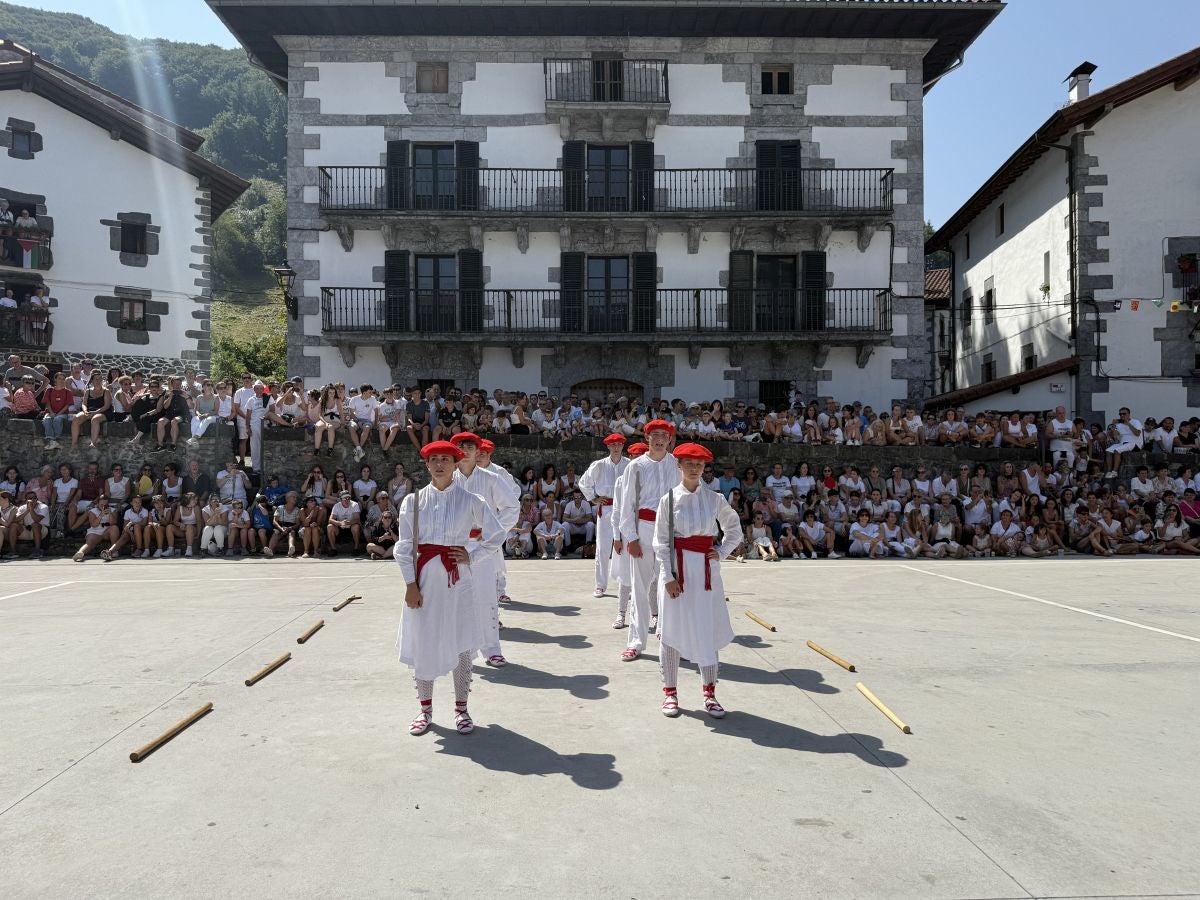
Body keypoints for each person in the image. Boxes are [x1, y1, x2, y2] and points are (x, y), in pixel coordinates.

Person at [394, 439, 504, 737]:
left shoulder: (471, 501)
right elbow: (404, 547)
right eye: (434, 459)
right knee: (424, 641)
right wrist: (410, 585)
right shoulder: (413, 502)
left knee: (462, 643)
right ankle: (425, 708)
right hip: (425, 580)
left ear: (456, 463)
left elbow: (496, 534)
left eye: (446, 458)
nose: (439, 464)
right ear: (427, 464)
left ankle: (461, 708)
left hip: (458, 581)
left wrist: (474, 555)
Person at [652, 442, 742, 718]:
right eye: (688, 463)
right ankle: (670, 693)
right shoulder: (668, 499)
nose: (694, 468)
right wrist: (667, 576)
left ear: (704, 467)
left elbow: (734, 529)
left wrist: (722, 551)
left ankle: (710, 693)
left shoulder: (714, 499)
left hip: (705, 573)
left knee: (707, 630)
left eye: (699, 464)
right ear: (678, 465)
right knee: (670, 630)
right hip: (677, 570)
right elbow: (661, 543)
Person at [449, 432, 519, 668]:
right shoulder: (448, 479)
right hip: (454, 546)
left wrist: (492, 530)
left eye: (470, 446)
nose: (466, 450)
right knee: (458, 599)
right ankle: (463, 650)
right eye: (461, 446)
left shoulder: (491, 478)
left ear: (478, 450)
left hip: (482, 545)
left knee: (486, 597)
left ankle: (492, 649)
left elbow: (512, 506)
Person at [617, 419, 680, 663]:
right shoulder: (635, 467)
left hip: (670, 530)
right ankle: (635, 641)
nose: (659, 438)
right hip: (643, 527)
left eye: (664, 434)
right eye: (654, 434)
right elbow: (627, 505)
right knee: (640, 587)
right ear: (647, 438)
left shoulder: (677, 465)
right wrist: (630, 536)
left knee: (670, 584)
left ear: (670, 439)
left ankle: (671, 638)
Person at [578, 432, 629, 598]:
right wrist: (593, 498)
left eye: (619, 444)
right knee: (603, 547)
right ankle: (600, 585)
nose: (616, 447)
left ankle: (626, 584)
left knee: (626, 546)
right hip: (606, 508)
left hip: (625, 510)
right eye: (613, 444)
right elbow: (583, 483)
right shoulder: (598, 465)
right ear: (608, 446)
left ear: (623, 446)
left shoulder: (629, 464)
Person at [1105, 407, 1143, 479]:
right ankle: (1109, 471)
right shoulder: (1119, 425)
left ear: (1129, 414)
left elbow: (1137, 433)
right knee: (1108, 451)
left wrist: (1128, 423)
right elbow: (1115, 437)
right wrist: (1114, 425)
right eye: (1120, 414)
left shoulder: (1136, 422)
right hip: (1123, 443)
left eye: (1124, 414)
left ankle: (1114, 472)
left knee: (1117, 450)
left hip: (1134, 443)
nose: (1122, 415)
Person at [326, 491, 363, 556]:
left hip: (351, 527)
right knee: (329, 526)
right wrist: (340, 523)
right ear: (340, 500)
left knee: (356, 526)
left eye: (348, 498)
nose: (347, 500)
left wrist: (348, 522)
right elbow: (330, 520)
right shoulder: (336, 506)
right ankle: (333, 549)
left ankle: (356, 549)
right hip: (339, 528)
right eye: (344, 498)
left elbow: (357, 519)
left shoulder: (355, 504)